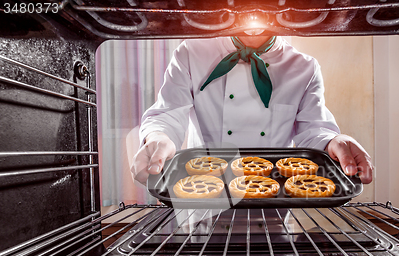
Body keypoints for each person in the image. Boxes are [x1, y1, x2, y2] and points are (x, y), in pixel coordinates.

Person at [131, 35, 373, 185]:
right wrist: (158, 138)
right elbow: (168, 113)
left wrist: (336, 140)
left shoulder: (304, 67)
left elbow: (314, 130)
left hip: (272, 199)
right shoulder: (190, 53)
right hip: (205, 193)